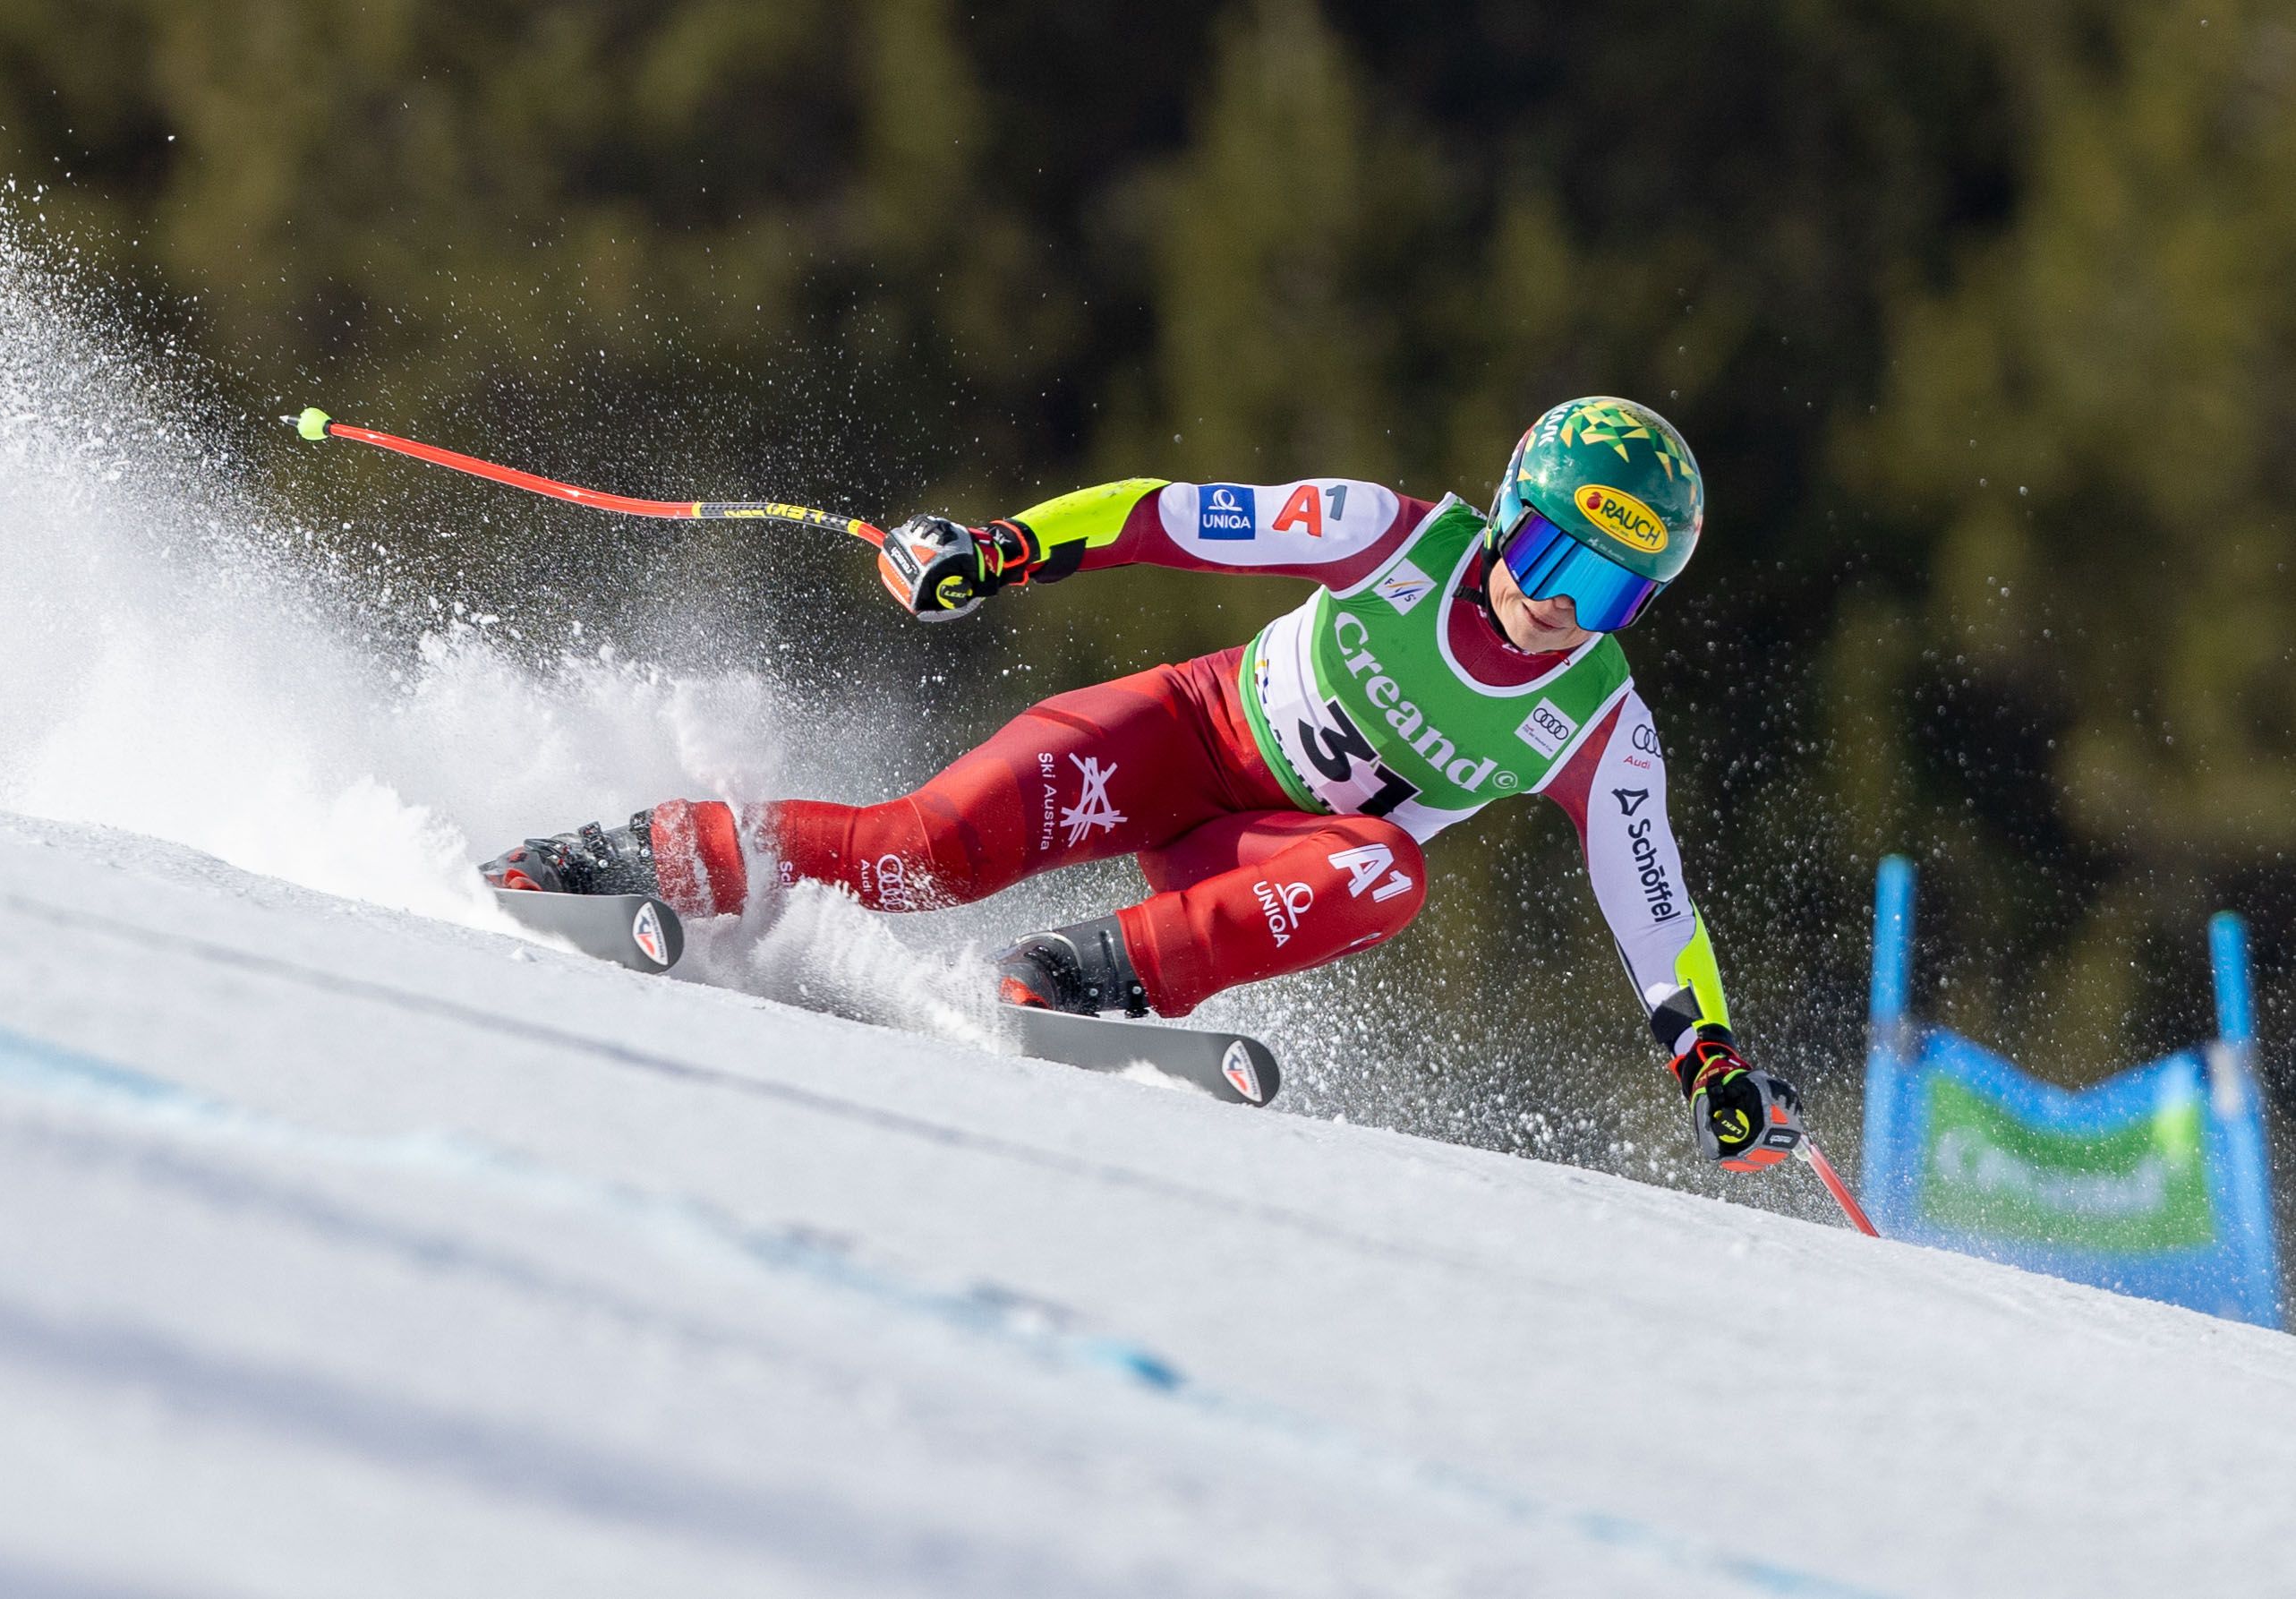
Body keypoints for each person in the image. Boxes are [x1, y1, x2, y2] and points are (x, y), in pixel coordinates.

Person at [484, 396, 1805, 1174]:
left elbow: (1653, 904)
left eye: (1606, 590)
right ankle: (626, 857)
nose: (1553, 605)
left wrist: (1705, 1057)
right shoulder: (1392, 537)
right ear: (1505, 510)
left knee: (1382, 871)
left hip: (1258, 855)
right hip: (1177, 737)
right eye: (1545, 554)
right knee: (926, 851)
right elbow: (1166, 512)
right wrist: (1003, 549)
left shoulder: (1600, 722)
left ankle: (1077, 981)